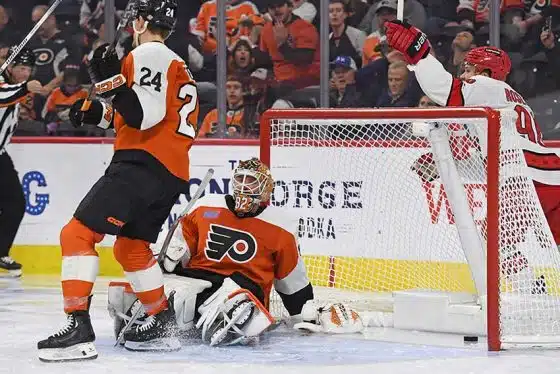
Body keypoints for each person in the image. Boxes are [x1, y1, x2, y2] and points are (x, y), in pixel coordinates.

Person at [37, 0, 200, 362]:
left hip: (141, 163)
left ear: (141, 22)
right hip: (169, 172)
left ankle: (77, 327)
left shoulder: (151, 54)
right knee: (130, 247)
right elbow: (131, 115)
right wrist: (96, 111)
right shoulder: (175, 62)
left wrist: (110, 82)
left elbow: (143, 116)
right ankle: (161, 322)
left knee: (76, 234)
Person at [107, 158, 365, 347]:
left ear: (266, 189)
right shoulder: (206, 206)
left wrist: (302, 312)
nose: (243, 186)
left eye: (251, 181)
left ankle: (230, 322)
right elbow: (179, 249)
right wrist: (170, 259)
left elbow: (292, 282)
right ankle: (149, 321)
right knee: (171, 293)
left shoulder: (282, 227)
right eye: (240, 179)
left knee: (234, 301)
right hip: (201, 281)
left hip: (244, 290)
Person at [385, 19, 558, 293]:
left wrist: (419, 53)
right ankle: (534, 291)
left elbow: (444, 90)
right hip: (549, 179)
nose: (465, 75)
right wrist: (446, 165)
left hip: (521, 183)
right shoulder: (513, 101)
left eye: (469, 68)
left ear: (487, 71)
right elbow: (492, 162)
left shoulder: (486, 86)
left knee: (492, 243)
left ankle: (532, 293)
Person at [0, 47, 43, 276]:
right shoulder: (4, 83)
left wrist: (22, 88)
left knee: (15, 203)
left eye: (29, 69)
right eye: (21, 68)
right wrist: (24, 88)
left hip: (0, 154)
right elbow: (3, 96)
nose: (26, 73)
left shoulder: (13, 86)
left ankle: (0, 251)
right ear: (10, 66)